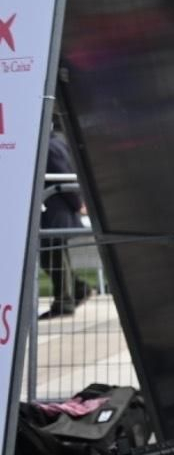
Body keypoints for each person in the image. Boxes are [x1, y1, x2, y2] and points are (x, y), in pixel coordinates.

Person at [39, 115, 87, 320]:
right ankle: (78, 290)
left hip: (56, 212)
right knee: (54, 258)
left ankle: (65, 301)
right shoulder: (55, 143)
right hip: (57, 211)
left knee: (54, 258)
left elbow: (62, 176)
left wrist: (78, 204)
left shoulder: (50, 147)